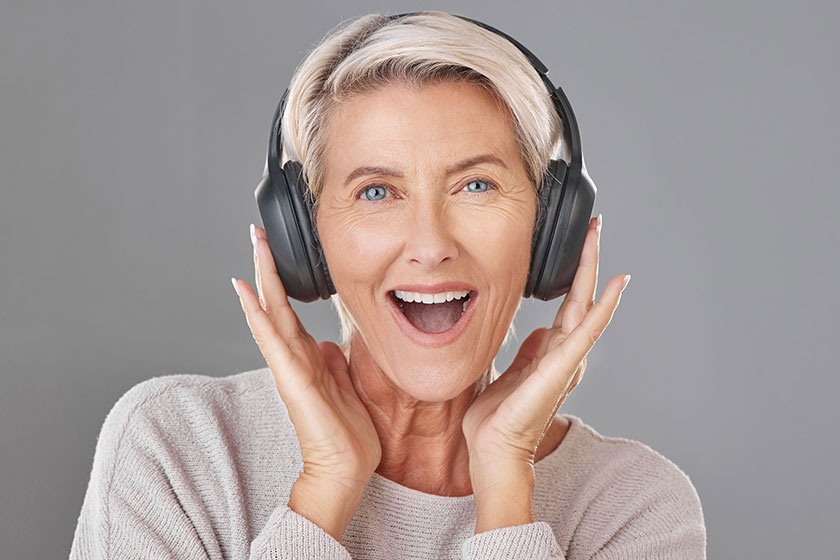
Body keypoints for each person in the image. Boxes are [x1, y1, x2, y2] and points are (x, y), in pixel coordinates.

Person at [70, 11, 706, 559]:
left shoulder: (632, 506)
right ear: (306, 238)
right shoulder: (180, 450)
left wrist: (506, 479)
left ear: (548, 228)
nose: (430, 245)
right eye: (376, 192)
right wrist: (324, 489)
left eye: (476, 185)